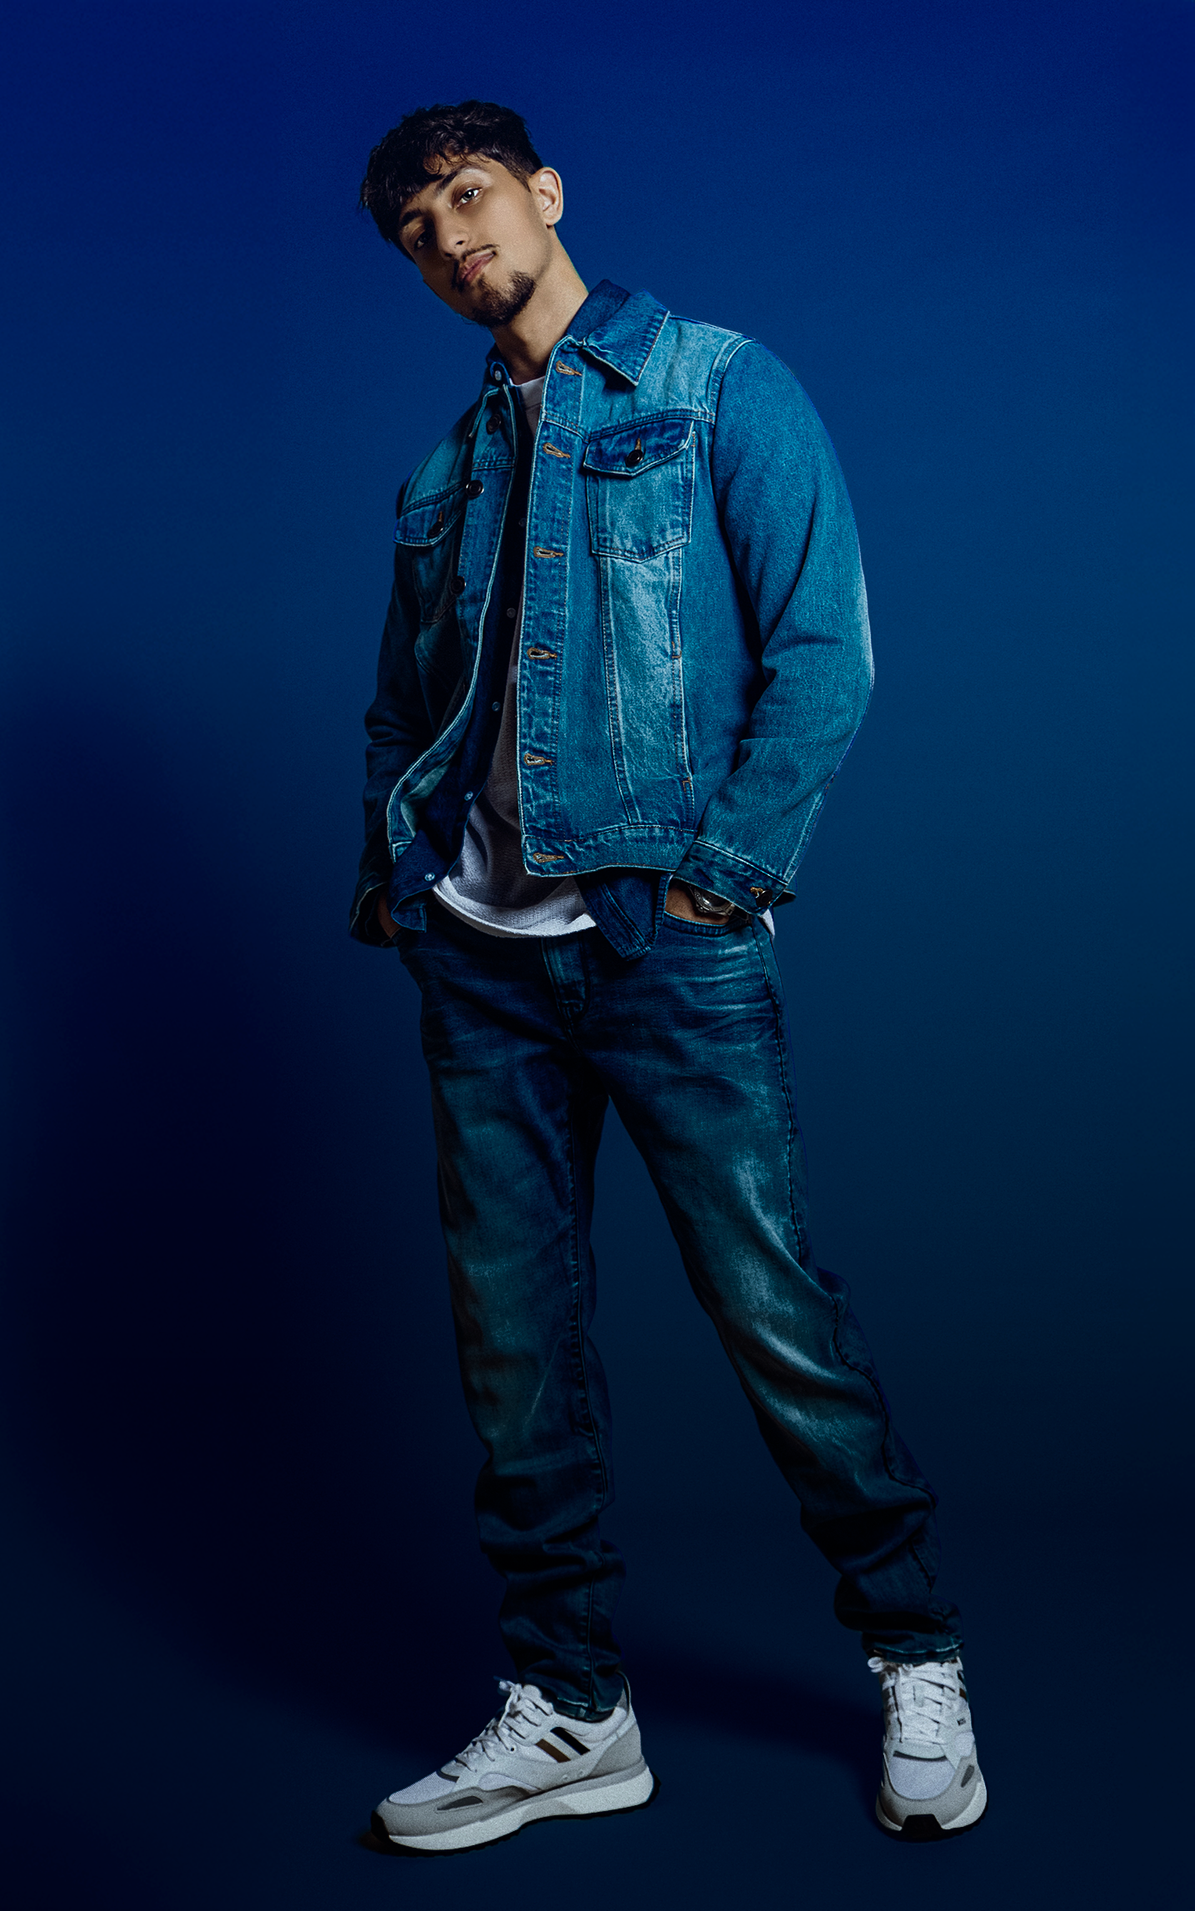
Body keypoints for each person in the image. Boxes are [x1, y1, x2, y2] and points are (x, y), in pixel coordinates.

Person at [345, 101, 980, 1851]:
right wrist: (400, 881)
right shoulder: (444, 471)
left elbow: (826, 647)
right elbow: (408, 706)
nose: (450, 241)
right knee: (515, 1349)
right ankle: (572, 1706)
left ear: (543, 196)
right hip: (479, 963)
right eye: (417, 230)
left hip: (661, 941)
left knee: (771, 1308)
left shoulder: (714, 385)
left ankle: (916, 1650)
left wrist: (718, 882)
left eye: (470, 201)